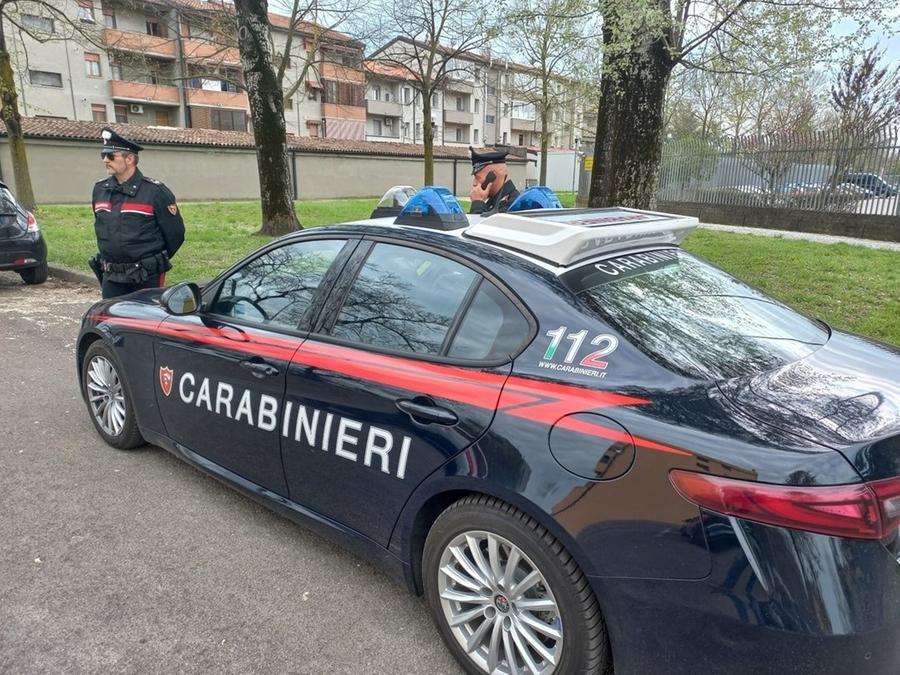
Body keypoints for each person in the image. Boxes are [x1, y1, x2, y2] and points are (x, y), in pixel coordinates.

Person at [90, 128, 185, 298]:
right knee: (111, 321)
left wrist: (151, 260)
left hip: (145, 276)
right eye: (103, 155)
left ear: (130, 159)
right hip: (112, 276)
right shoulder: (100, 190)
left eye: (111, 156)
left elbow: (175, 234)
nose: (105, 160)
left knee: (144, 322)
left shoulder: (155, 192)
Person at [468, 146, 520, 215]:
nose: (474, 183)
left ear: (492, 176)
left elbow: (480, 224)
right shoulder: (495, 201)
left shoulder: (512, 205)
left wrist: (478, 203)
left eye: (478, 178)